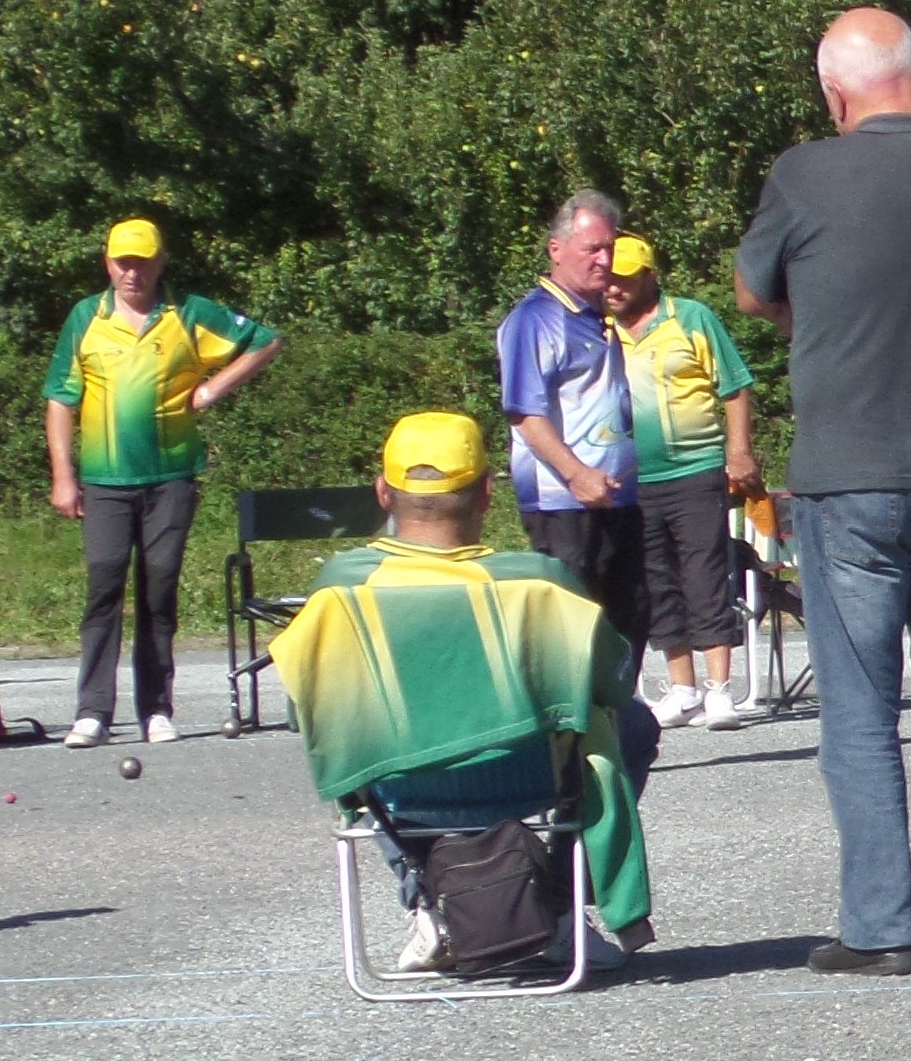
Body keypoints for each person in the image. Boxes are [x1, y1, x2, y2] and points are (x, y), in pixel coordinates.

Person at [736, 8, 911, 976]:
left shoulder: (803, 173)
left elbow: (750, 290)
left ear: (833, 91)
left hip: (849, 472)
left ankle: (882, 927)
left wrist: (817, 312)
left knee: (859, 708)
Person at [303, 411, 654, 972]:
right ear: (489, 493)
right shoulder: (536, 581)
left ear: (382, 493)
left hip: (398, 784)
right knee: (633, 724)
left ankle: (429, 901)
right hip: (530, 775)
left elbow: (310, 704)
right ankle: (560, 907)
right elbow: (611, 678)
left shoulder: (339, 588)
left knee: (345, 739)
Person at [42, 217, 281, 748]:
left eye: (143, 261)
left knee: (159, 585)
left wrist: (212, 389)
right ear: (108, 263)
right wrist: (64, 476)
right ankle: (92, 713)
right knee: (104, 585)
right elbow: (61, 398)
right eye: (123, 262)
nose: (133, 272)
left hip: (170, 475)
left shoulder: (188, 312)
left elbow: (264, 341)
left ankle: (156, 709)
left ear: (160, 262)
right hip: (104, 479)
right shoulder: (87, 316)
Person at [499, 189, 664, 788]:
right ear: (557, 249)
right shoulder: (533, 320)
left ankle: (612, 734)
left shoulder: (596, 316)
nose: (604, 260)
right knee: (573, 631)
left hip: (615, 500)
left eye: (610, 249)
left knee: (629, 617)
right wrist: (576, 473)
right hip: (564, 503)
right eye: (592, 248)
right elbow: (525, 413)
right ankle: (568, 752)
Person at [609, 235, 758, 729]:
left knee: (705, 575)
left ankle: (720, 690)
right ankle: (682, 686)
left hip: (695, 469)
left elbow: (735, 386)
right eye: (608, 278)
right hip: (632, 477)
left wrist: (739, 452)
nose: (613, 287)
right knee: (655, 582)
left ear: (649, 277)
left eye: (624, 279)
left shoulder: (690, 317)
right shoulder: (600, 328)